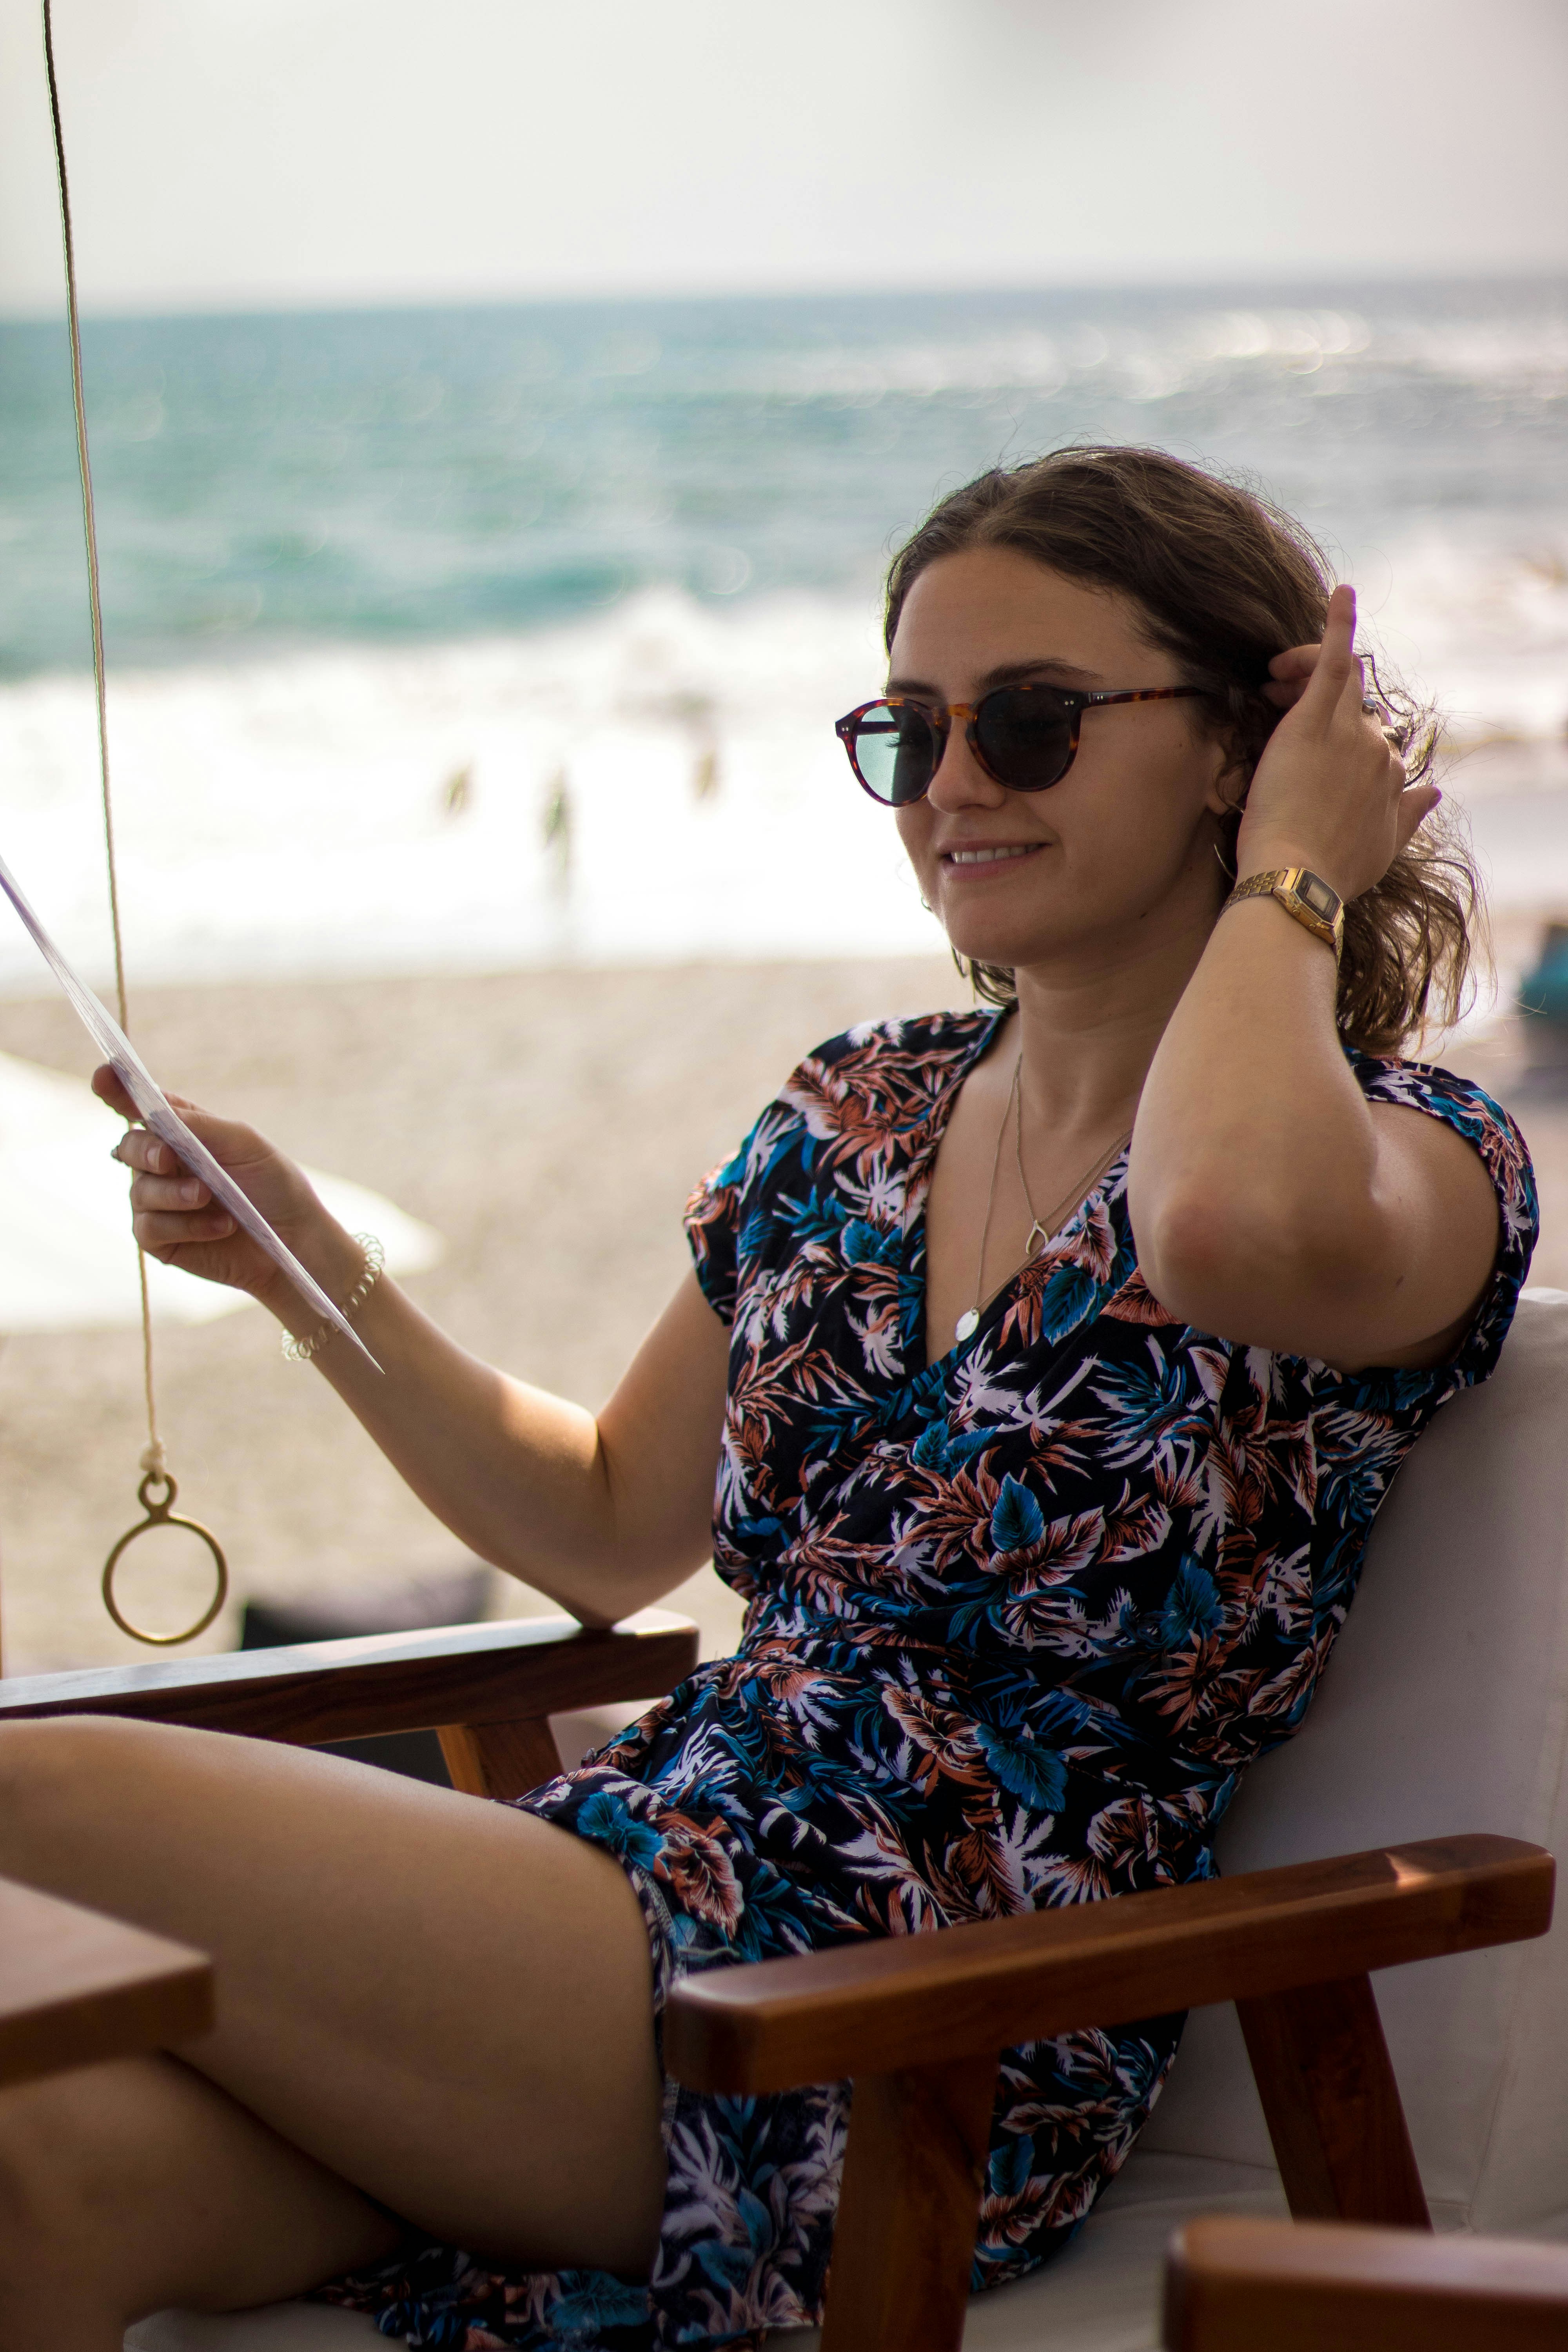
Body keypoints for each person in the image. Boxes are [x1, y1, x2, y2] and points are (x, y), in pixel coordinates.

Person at [0, 446, 1535, 2352]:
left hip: (914, 2012)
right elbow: (596, 1523)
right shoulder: (855, 1112)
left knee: (26, 1783)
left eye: (1034, 723)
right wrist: (293, 1254)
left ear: (1241, 743)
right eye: (909, 733)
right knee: (34, 2186)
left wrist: (1299, 873)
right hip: (645, 1886)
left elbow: (1212, 1219)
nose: (957, 782)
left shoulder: (1415, 1156)